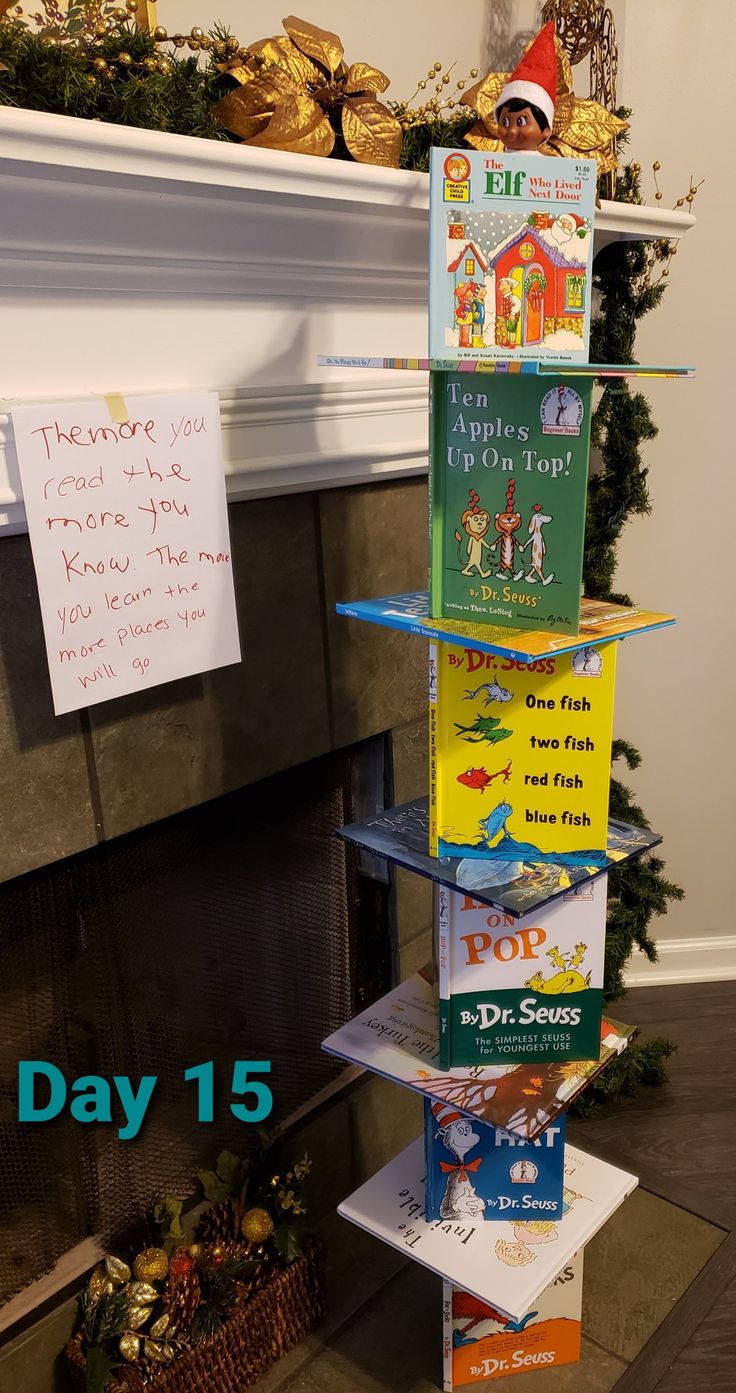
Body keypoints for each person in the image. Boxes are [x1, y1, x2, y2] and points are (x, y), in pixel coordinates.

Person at [494, 21, 556, 153]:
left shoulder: (551, 170)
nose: (512, 130)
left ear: (546, 130)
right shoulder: (491, 164)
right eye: (504, 122)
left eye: (521, 121)